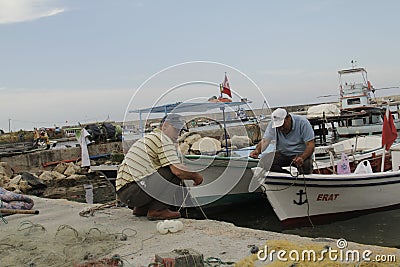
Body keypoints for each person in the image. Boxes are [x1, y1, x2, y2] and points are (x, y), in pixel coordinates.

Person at [116, 113, 203, 220]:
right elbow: (177, 171)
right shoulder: (164, 139)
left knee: (161, 170)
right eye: (175, 130)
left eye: (180, 131)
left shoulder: (151, 137)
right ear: (165, 126)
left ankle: (142, 208)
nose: (178, 134)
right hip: (133, 191)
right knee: (172, 172)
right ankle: (158, 210)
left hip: (125, 192)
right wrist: (196, 176)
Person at [250, 108, 315, 174]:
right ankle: (286, 176)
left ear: (288, 118)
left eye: (283, 125)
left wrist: (302, 157)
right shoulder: (272, 124)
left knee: (307, 165)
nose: (281, 128)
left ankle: (304, 179)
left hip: (301, 154)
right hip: (283, 154)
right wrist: (257, 151)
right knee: (265, 161)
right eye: (278, 126)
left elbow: (310, 145)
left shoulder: (303, 122)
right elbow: (265, 141)